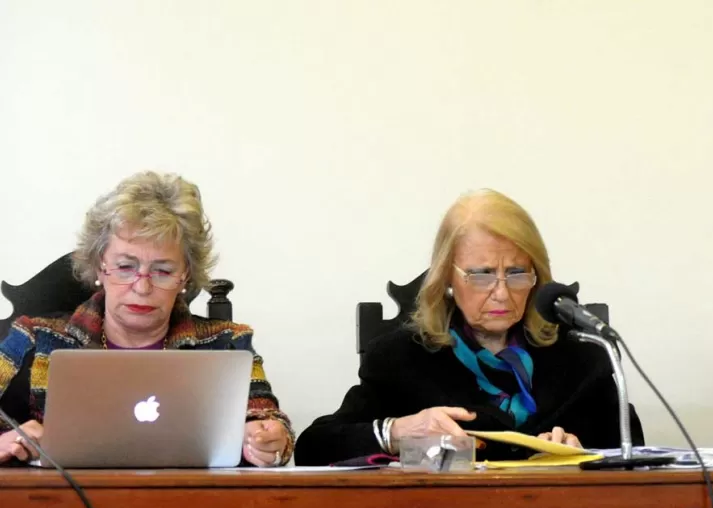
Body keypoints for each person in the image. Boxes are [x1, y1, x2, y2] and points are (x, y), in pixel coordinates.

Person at [295, 188, 642, 465]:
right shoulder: (401, 358)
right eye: (482, 274)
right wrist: (396, 432)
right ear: (448, 276)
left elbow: (632, 448)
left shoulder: (580, 353)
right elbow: (314, 447)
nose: (502, 293)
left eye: (518, 273)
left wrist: (582, 450)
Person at [0, 172, 293, 466]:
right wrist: (5, 442)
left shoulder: (228, 343)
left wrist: (270, 441)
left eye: (163, 271)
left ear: (185, 276)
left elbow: (266, 419)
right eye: (126, 267)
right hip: (60, 507)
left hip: (192, 505)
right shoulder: (34, 338)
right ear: (101, 267)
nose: (142, 288)